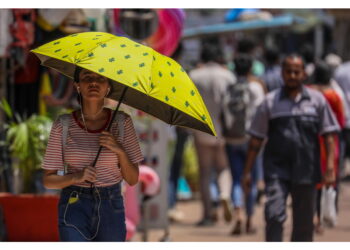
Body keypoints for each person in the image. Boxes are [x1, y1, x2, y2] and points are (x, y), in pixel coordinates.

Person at [242, 54, 339, 241]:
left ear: (304, 74)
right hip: (277, 170)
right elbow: (256, 141)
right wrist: (247, 172)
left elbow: (329, 136)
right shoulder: (269, 102)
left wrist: (329, 168)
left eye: (297, 71)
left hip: (306, 171)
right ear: (282, 74)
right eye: (288, 71)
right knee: (273, 215)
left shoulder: (317, 101)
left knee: (304, 225)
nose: (292, 75)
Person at [42, 67, 144, 241]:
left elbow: (133, 179)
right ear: (77, 86)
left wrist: (119, 149)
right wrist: (77, 177)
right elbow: (48, 180)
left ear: (108, 87)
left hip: (111, 205)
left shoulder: (122, 122)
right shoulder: (63, 125)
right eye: (87, 77)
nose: (94, 83)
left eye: (101, 79)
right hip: (74, 204)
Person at [189, 42, 234, 226]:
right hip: (224, 130)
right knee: (223, 168)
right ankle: (224, 194)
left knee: (205, 172)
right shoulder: (228, 76)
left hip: (201, 130)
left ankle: (208, 213)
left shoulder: (194, 76)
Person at [221, 54, 265, 235]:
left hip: (231, 139)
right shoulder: (255, 88)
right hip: (250, 140)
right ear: (250, 69)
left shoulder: (229, 87)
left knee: (236, 177)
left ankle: (238, 212)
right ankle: (249, 219)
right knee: (251, 179)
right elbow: (262, 113)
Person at [309, 61, 345, 234]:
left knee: (313, 179)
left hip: (311, 141)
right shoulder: (333, 96)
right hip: (330, 143)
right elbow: (340, 122)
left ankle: (314, 217)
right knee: (330, 178)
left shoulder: (309, 92)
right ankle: (328, 214)